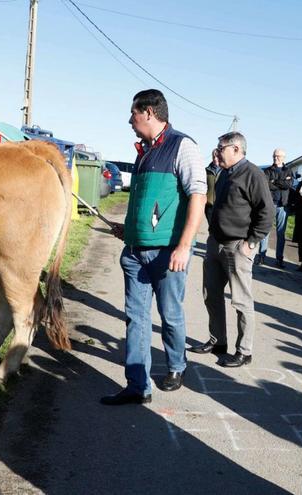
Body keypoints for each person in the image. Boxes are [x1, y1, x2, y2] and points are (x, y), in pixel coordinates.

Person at [101, 89, 206, 406]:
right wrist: (128, 228)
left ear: (148, 112)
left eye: (132, 114)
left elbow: (198, 197)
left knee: (170, 314)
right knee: (136, 318)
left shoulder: (182, 146)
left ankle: (176, 365)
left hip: (167, 253)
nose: (129, 121)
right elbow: (147, 202)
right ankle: (137, 385)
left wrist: (184, 246)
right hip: (135, 252)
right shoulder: (143, 152)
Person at [191, 132, 273, 368]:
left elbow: (266, 213)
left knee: (241, 301)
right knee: (211, 295)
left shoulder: (253, 174)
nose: (217, 152)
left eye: (221, 148)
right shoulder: (225, 173)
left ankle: (244, 351)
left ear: (236, 149)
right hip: (215, 243)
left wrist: (250, 243)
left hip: (237, 246)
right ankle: (218, 341)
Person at [258, 148, 294, 267]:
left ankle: (279, 259)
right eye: (274, 156)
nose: (275, 158)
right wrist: (281, 182)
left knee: (281, 233)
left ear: (283, 158)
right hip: (270, 204)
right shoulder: (267, 171)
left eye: (278, 156)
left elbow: (288, 185)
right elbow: (266, 185)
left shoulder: (288, 170)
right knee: (265, 231)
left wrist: (275, 182)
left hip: (283, 205)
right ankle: (261, 257)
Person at [204, 149, 220, 224]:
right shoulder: (206, 171)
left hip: (221, 206)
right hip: (209, 206)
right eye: (213, 157)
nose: (215, 159)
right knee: (211, 228)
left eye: (217, 156)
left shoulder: (226, 171)